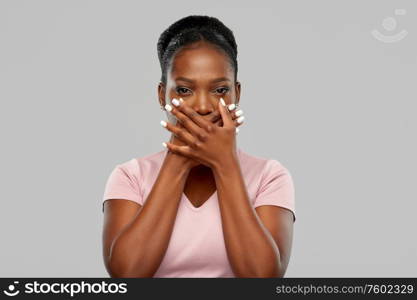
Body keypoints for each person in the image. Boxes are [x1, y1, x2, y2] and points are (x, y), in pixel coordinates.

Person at [101, 15, 296, 278]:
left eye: (219, 90)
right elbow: (127, 277)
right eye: (183, 90)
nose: (203, 107)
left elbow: (262, 280)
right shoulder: (130, 176)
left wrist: (225, 164)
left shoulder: (269, 176)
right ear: (162, 94)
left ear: (237, 94)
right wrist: (178, 159)